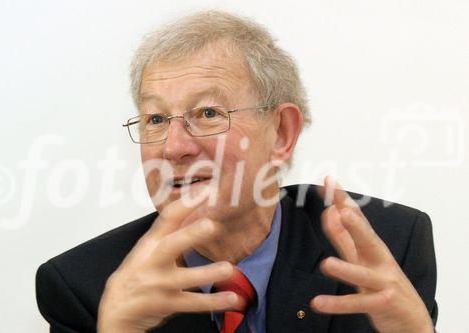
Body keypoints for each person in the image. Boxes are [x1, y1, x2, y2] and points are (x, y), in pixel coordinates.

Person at [36, 10, 437, 333]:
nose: (174, 147)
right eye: (156, 119)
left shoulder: (387, 249)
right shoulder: (84, 288)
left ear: (281, 132)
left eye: (208, 113)